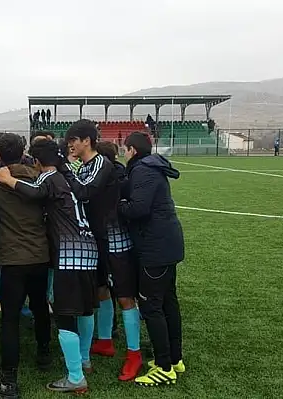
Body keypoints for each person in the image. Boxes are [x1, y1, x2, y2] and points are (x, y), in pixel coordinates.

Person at [0, 139, 98, 394]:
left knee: (64, 314)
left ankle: (75, 377)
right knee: (83, 309)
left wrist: (7, 180)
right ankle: (82, 359)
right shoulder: (65, 175)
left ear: (38, 161)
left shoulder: (48, 177)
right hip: (86, 248)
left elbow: (35, 192)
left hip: (69, 253)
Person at [0, 133, 52, 398]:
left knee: (10, 317)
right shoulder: (38, 176)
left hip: (12, 258)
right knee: (40, 306)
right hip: (39, 255)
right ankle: (44, 353)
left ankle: (9, 378)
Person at [119, 132, 185, 387]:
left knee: (152, 306)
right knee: (168, 302)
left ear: (132, 150)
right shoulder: (149, 167)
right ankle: (174, 358)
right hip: (164, 244)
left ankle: (164, 366)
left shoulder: (143, 171)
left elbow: (138, 209)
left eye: (125, 149)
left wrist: (116, 205)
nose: (124, 153)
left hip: (155, 248)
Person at [58, 119, 118, 374]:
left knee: (100, 291)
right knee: (92, 295)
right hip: (85, 239)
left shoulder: (101, 164)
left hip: (99, 238)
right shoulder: (84, 165)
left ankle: (101, 341)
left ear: (86, 141)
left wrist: (64, 169)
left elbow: (85, 192)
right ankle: (89, 350)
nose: (71, 144)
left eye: (74, 140)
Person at [94, 141, 142, 381]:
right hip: (101, 247)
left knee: (125, 298)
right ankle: (105, 341)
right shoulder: (95, 178)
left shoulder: (119, 180)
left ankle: (134, 353)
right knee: (102, 292)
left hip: (120, 248)